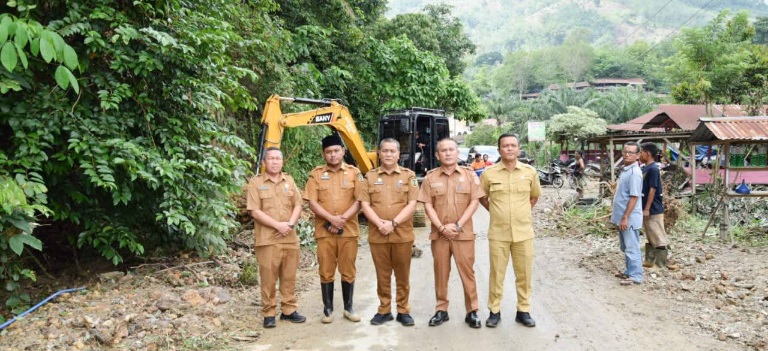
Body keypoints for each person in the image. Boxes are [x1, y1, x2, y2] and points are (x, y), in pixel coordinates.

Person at [417, 138, 485, 329]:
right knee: (441, 273)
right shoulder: (430, 178)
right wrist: (441, 227)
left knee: (467, 273)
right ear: (437, 155)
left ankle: (472, 311)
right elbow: (427, 205)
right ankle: (441, 310)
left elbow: (474, 202)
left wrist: (458, 225)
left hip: (462, 234)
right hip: (439, 235)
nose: (447, 153)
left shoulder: (469, 175)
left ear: (457, 153)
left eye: (451, 150)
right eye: (443, 150)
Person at [479, 133, 541, 328]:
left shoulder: (529, 172)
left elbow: (534, 197)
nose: (510, 149)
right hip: (498, 233)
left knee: (524, 274)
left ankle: (523, 310)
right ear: (499, 150)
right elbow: (482, 197)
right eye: (505, 146)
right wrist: (496, 212)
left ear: (518, 148)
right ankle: (494, 311)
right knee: (497, 273)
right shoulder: (489, 174)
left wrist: (521, 213)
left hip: (524, 233)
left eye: (513, 145)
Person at [303, 135, 363, 324]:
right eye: (328, 152)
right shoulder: (316, 174)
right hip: (324, 230)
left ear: (343, 151)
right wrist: (331, 219)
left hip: (348, 230)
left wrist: (343, 219)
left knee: (348, 269)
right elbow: (312, 202)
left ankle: (348, 307)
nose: (333, 155)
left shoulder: (355, 173)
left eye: (336, 151)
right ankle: (327, 309)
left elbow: (360, 200)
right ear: (323, 154)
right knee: (326, 269)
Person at [359, 138, 419, 326]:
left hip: (402, 235)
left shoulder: (409, 176)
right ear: (379, 153)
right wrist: (379, 224)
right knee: (382, 274)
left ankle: (403, 310)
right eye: (385, 151)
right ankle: (384, 310)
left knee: (402, 274)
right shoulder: (369, 177)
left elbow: (412, 204)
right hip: (378, 235)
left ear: (398, 154)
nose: (388, 154)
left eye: (392, 151)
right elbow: (364, 204)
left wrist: (393, 223)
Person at [246, 147, 306, 328]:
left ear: (282, 161)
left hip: (289, 238)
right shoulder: (255, 183)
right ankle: (269, 313)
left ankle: (288, 310)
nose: (274, 161)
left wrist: (290, 224)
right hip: (267, 240)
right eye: (271, 158)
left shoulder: (289, 180)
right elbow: (254, 211)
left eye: (278, 158)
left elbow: (298, 204)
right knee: (268, 278)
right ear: (264, 162)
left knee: (289, 276)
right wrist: (277, 225)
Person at [611, 141, 644, 286]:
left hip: (629, 217)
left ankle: (636, 275)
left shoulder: (635, 173)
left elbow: (634, 196)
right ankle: (629, 271)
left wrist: (625, 217)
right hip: (622, 216)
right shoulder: (626, 170)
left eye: (630, 152)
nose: (626, 154)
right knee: (625, 246)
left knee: (631, 246)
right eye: (625, 151)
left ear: (638, 155)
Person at [639, 142, 669, 268]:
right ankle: (650, 260)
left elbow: (652, 189)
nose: (639, 154)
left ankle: (664, 261)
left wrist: (647, 208)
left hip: (653, 208)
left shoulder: (653, 169)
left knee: (658, 234)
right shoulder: (645, 168)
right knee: (650, 233)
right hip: (646, 206)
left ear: (648, 153)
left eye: (641, 152)